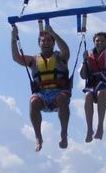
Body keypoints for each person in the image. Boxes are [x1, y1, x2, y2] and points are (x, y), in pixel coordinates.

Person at [11, 24, 70, 152]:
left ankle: (64, 134)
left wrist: (53, 33)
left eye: (49, 40)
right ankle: (38, 136)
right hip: (42, 95)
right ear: (39, 43)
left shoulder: (60, 57)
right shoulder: (33, 60)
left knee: (62, 98)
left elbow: (66, 51)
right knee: (33, 101)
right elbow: (16, 58)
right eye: (43, 40)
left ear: (53, 42)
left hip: (59, 92)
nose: (46, 42)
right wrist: (13, 38)